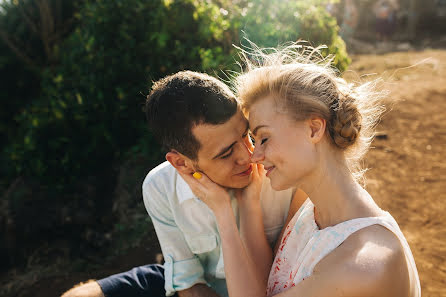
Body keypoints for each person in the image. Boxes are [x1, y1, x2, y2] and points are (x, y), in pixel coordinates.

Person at [178, 45, 421, 297]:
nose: (254, 156)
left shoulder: (362, 265)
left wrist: (224, 219)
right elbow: (262, 288)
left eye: (263, 138)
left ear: (314, 129)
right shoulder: (308, 210)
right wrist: (234, 206)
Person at [61, 71, 305, 297]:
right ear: (182, 163)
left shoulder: (283, 173)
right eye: (226, 153)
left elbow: (276, 282)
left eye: (245, 135)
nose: (248, 156)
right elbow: (189, 285)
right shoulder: (160, 187)